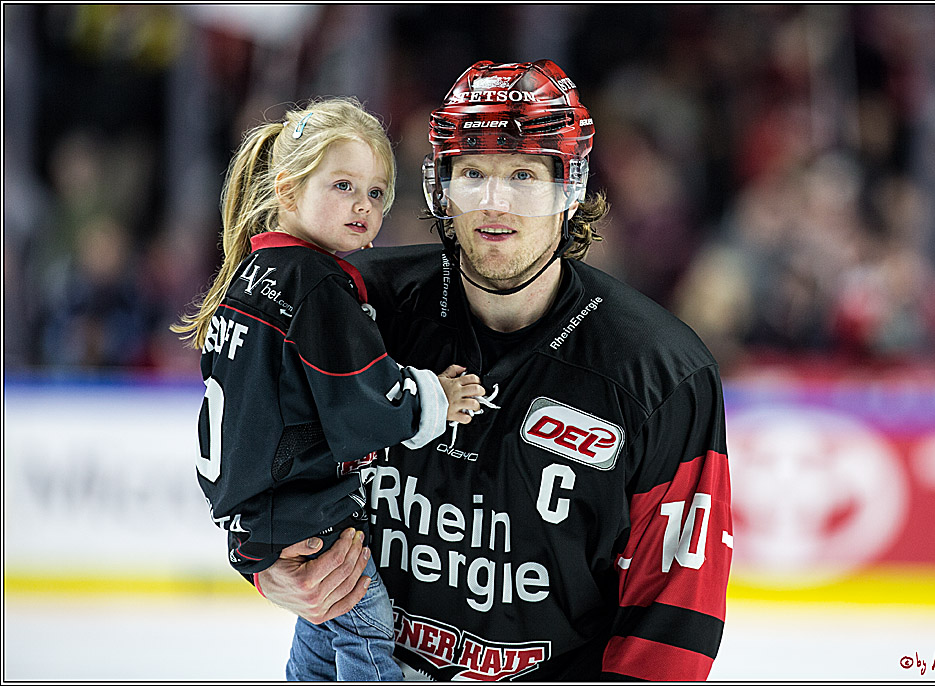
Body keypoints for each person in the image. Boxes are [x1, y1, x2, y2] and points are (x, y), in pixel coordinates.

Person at [257, 61, 734, 681]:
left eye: (525, 175)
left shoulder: (662, 375)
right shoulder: (353, 309)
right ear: (442, 187)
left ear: (571, 187)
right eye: (474, 172)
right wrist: (267, 562)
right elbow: (253, 441)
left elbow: (674, 610)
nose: (494, 201)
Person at [171, 97, 485, 681]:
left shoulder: (251, 275)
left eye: (376, 193)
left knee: (321, 645)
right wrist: (437, 396)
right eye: (343, 186)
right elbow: (363, 403)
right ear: (288, 191)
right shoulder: (315, 285)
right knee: (367, 630)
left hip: (258, 519)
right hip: (305, 518)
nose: (363, 207)